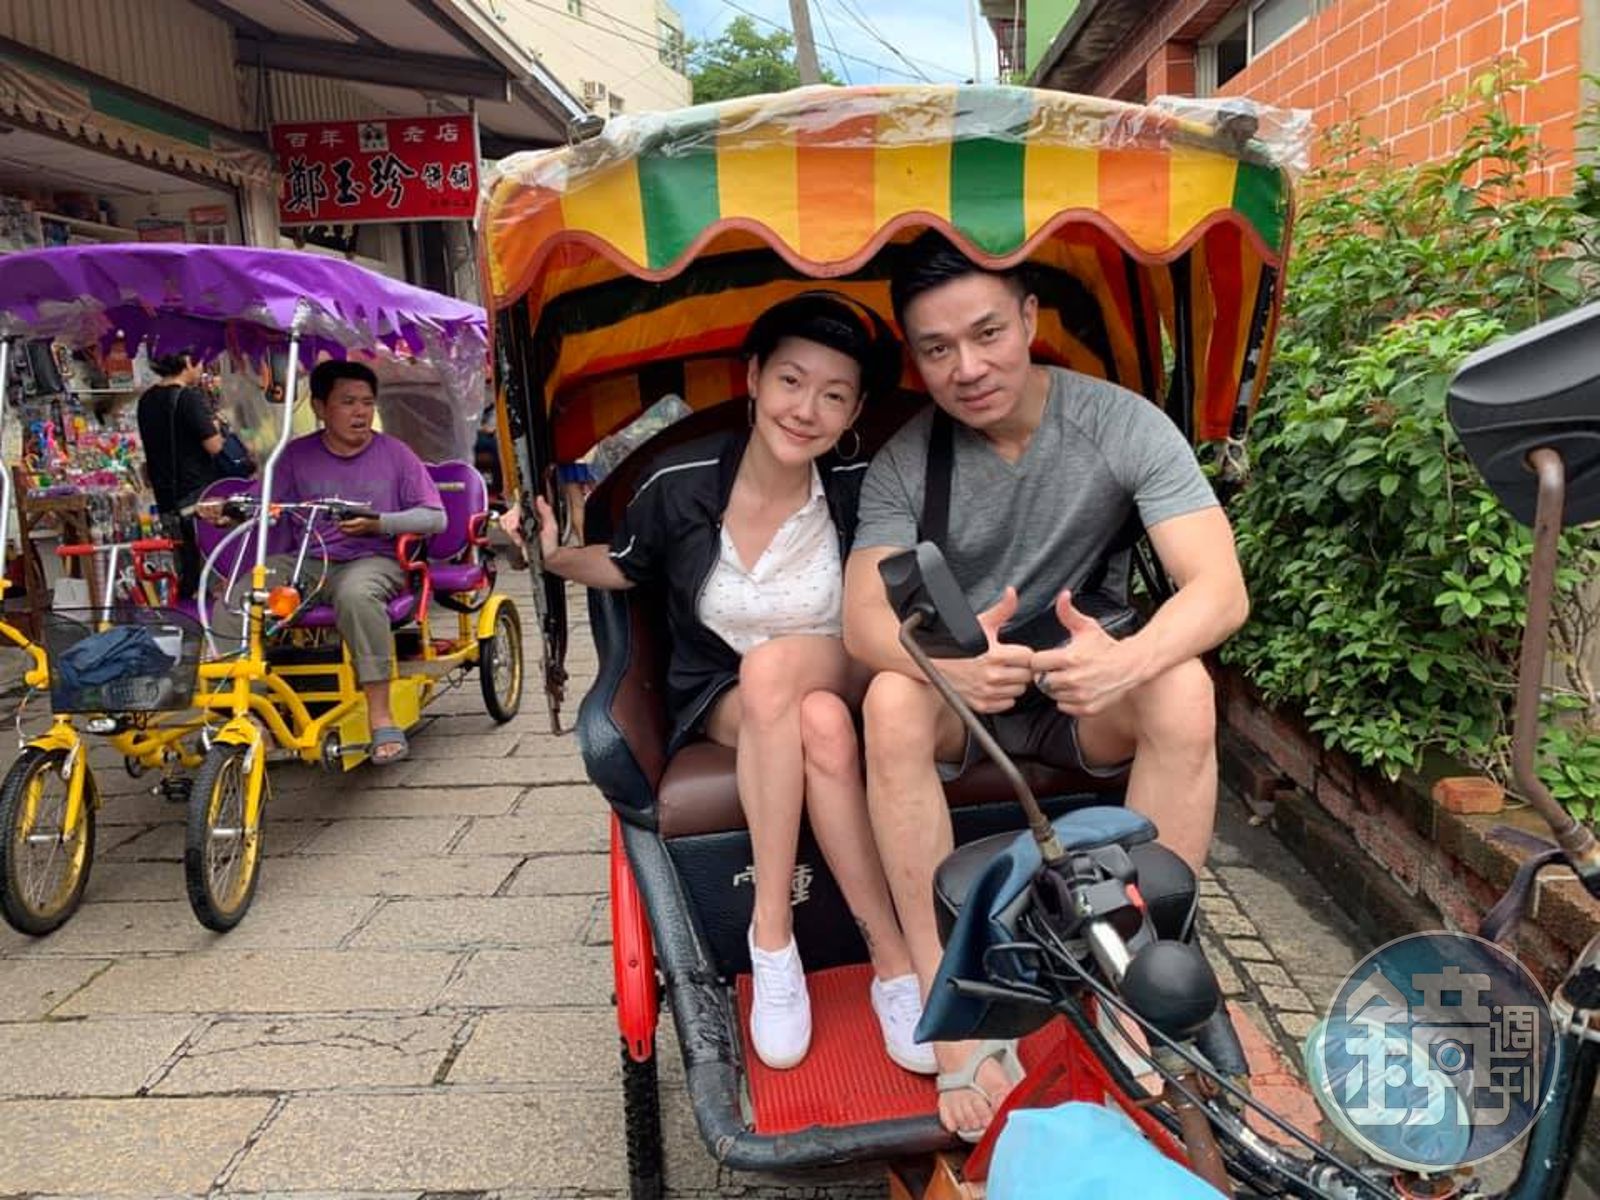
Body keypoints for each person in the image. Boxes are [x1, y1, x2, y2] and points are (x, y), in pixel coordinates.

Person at [842, 231, 1250, 1140]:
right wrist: (953, 667)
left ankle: (1140, 984)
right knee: (890, 698)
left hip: (1084, 682)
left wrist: (1126, 660)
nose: (968, 368)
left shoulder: (1120, 423)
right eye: (937, 349)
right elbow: (862, 620)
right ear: (915, 358)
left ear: (1029, 319)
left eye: (987, 333)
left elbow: (1220, 589)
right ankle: (953, 1007)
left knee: (1183, 687)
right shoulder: (909, 459)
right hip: (968, 697)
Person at [506, 293, 935, 1075]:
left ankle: (773, 933)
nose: (805, 410)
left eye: (833, 395)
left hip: (847, 661)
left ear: (853, 412)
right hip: (724, 689)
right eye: (791, 382)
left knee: (791, 679)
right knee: (814, 722)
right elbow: (626, 566)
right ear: (755, 378)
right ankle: (882, 956)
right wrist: (556, 555)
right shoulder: (681, 481)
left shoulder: (860, 481)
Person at [203, 360, 444, 764]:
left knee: (356, 597)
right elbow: (260, 504)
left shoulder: (396, 455)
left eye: (367, 402)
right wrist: (225, 510)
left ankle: (380, 716)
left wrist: (380, 523)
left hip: (373, 560)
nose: (360, 412)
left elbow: (435, 518)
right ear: (319, 407)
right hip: (309, 562)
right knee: (240, 595)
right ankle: (248, 712)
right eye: (348, 402)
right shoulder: (295, 456)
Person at [136, 348, 223, 595]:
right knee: (210, 570)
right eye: (200, 361)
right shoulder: (188, 398)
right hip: (197, 495)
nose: (202, 367)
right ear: (187, 361)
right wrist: (218, 426)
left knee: (185, 569)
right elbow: (214, 446)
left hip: (166, 498)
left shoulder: (146, 400)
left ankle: (186, 610)